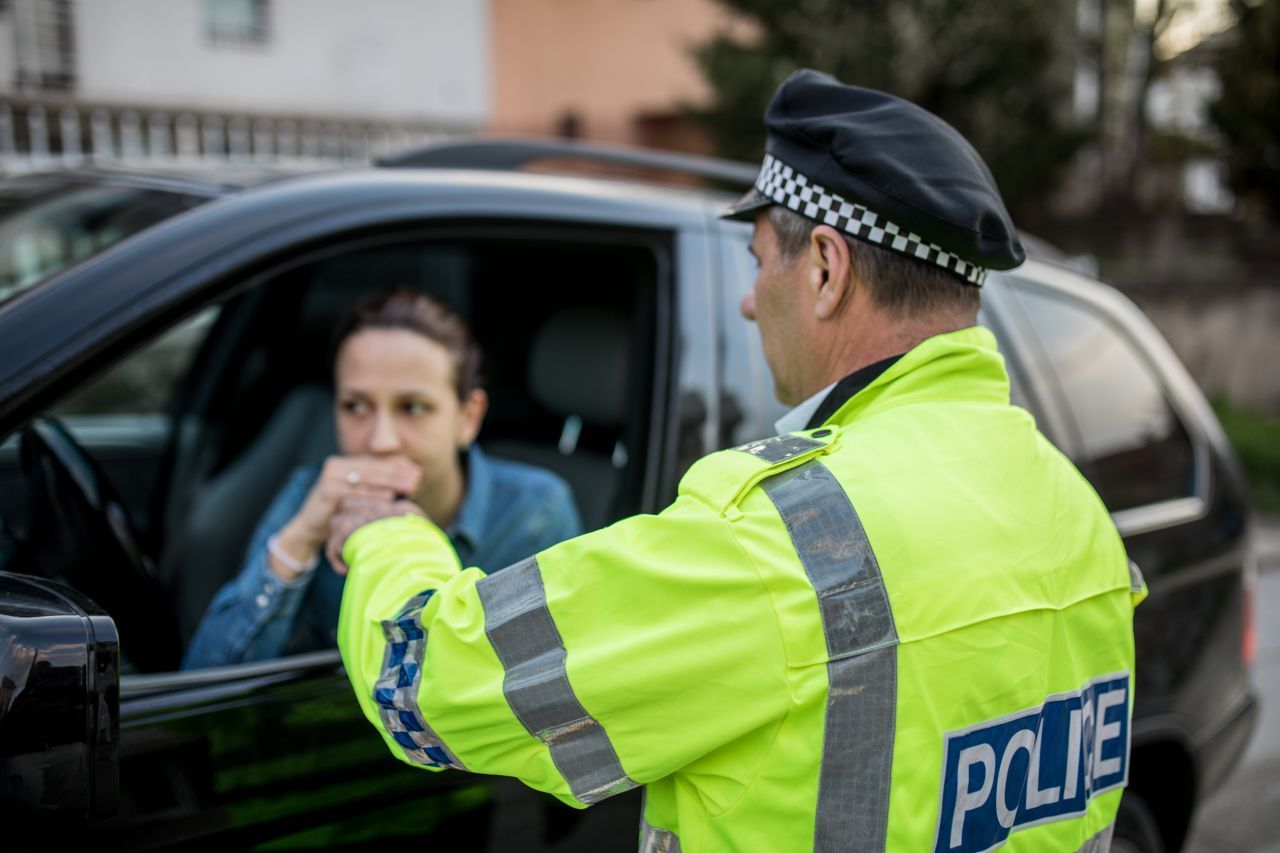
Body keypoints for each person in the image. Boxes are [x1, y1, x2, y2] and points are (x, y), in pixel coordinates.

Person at [330, 71, 1145, 852]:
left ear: (826, 270)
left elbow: (426, 684)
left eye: (758, 260)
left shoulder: (789, 539)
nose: (751, 299)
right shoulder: (1072, 506)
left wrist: (387, 527)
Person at [182, 289, 582, 669]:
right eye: (355, 406)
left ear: (468, 417)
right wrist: (299, 540)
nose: (380, 441)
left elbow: (552, 682)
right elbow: (204, 678)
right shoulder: (311, 495)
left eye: (413, 407)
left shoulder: (535, 513)